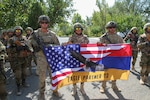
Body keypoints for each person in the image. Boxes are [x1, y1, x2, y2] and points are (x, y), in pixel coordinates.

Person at [29, 15, 61, 99]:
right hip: (41, 59)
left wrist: (51, 47)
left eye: (46, 23)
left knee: (53, 75)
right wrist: (34, 48)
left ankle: (55, 90)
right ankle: (42, 92)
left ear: (48, 24)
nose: (44, 24)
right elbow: (28, 44)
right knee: (42, 76)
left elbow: (58, 45)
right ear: (39, 23)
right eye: (42, 23)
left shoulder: (52, 34)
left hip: (51, 58)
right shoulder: (35, 34)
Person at [63, 22, 89, 95]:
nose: (78, 30)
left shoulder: (85, 37)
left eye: (80, 28)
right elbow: (69, 46)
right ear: (74, 30)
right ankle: (74, 88)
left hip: (83, 58)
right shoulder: (71, 37)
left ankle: (82, 87)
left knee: (83, 73)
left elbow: (88, 46)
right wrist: (67, 44)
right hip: (74, 58)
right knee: (74, 74)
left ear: (82, 29)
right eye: (77, 29)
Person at [98, 21, 124, 93]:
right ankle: (103, 86)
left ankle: (114, 85)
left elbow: (123, 46)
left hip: (116, 58)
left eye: (113, 27)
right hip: (106, 58)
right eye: (110, 27)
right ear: (107, 28)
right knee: (105, 72)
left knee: (114, 72)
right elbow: (98, 47)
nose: (112, 29)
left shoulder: (119, 37)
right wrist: (100, 44)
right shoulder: (103, 37)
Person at [8, 26, 30, 96]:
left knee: (25, 73)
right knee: (18, 75)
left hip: (24, 58)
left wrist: (27, 49)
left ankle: (24, 82)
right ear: (15, 31)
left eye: (19, 30)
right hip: (16, 60)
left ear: (21, 31)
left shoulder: (24, 38)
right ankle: (18, 88)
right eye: (16, 31)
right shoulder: (11, 40)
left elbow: (29, 46)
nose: (18, 32)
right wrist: (16, 48)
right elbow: (8, 49)